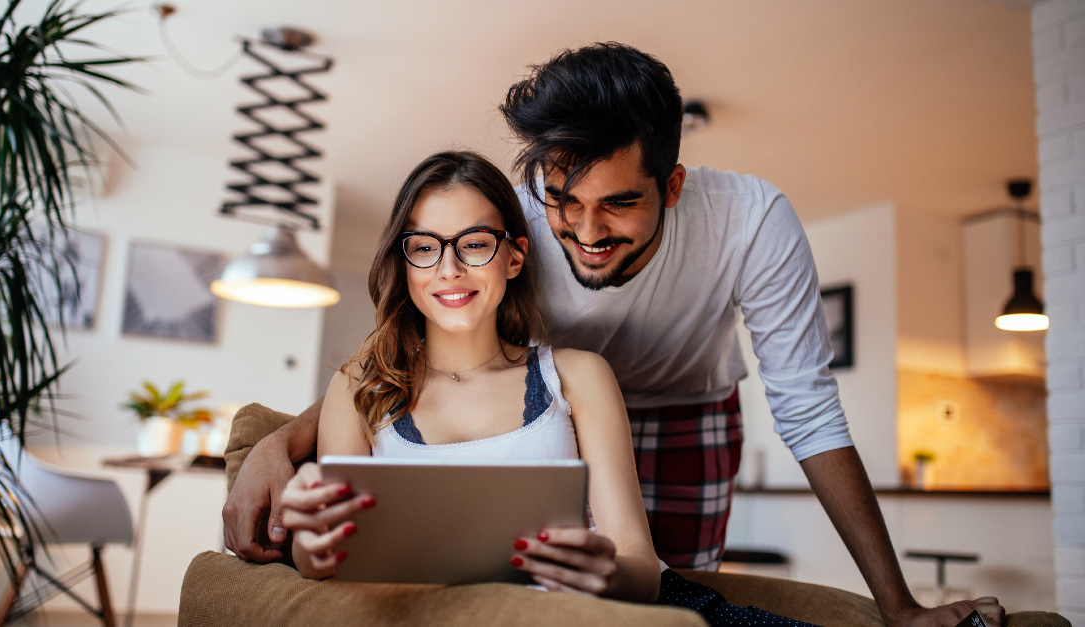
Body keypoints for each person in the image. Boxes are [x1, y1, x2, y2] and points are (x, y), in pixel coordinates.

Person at [223, 43, 1004, 627]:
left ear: (671, 185)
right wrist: (278, 444)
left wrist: (897, 607)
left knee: (673, 599)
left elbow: (808, 408)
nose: (586, 231)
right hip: (557, 404)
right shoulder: (507, 220)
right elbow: (404, 346)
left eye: (619, 205)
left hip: (686, 406)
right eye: (565, 201)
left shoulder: (751, 222)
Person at [283, 150, 820, 626]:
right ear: (404, 263)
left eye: (474, 244)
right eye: (424, 247)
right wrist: (311, 538)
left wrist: (604, 572)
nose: (448, 268)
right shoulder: (359, 388)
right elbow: (322, 561)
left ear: (514, 256)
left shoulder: (578, 376)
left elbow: (640, 568)